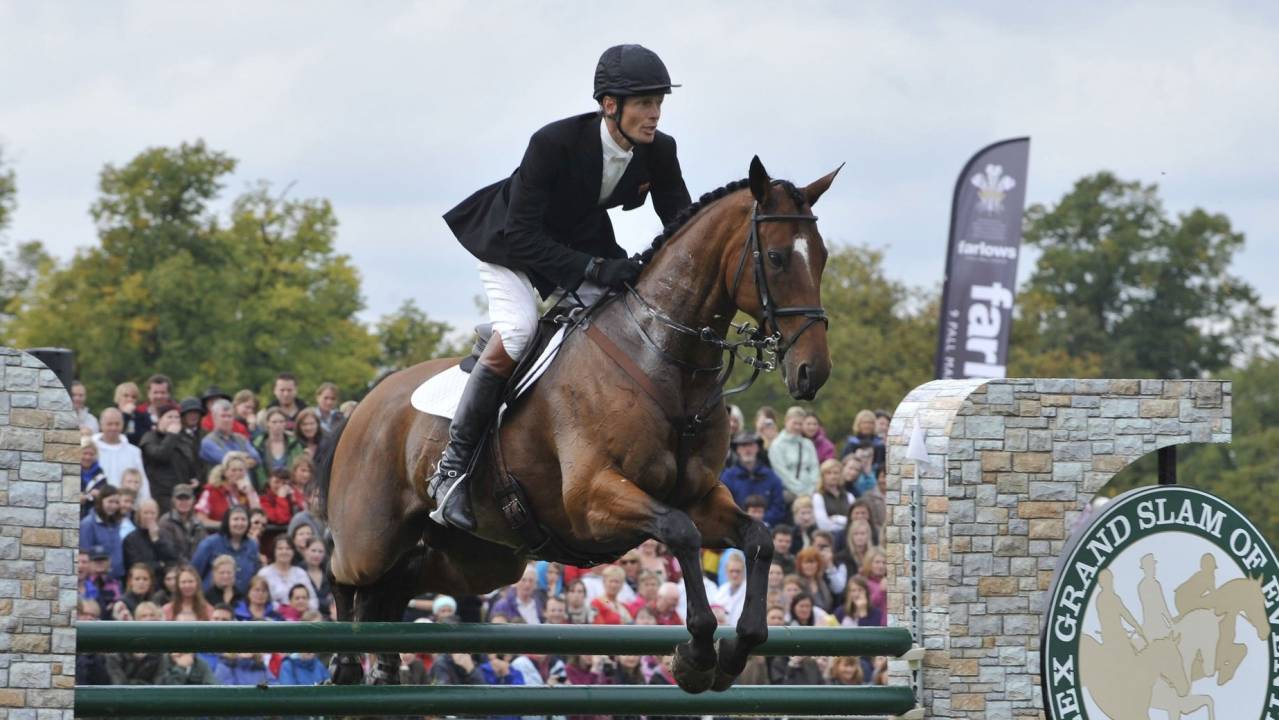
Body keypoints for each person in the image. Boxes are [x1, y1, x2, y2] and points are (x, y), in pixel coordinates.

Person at [433, 43, 691, 532]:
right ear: (609, 105)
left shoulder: (660, 150)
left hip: (580, 243)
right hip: (510, 246)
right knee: (517, 331)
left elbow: (680, 225)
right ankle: (452, 470)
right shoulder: (553, 143)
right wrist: (595, 270)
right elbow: (523, 235)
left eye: (659, 102)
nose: (654, 114)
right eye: (644, 103)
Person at [139, 402, 200, 515]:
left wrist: (194, 478)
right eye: (169, 417)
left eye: (176, 417)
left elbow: (191, 461)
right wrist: (171, 435)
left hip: (182, 494)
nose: (173, 420)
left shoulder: (183, 439)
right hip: (161, 495)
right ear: (159, 419)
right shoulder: (150, 437)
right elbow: (161, 455)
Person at [719, 432, 787, 527]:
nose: (747, 449)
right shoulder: (728, 477)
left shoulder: (771, 476)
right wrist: (744, 521)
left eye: (751, 445)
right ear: (737, 449)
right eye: (743, 445)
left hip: (766, 528)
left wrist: (761, 521)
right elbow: (725, 507)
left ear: (758, 448)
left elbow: (778, 507)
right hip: (737, 528)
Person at [191, 506, 261, 595]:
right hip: (211, 600)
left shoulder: (253, 545)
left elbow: (255, 575)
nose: (239, 523)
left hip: (241, 602)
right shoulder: (210, 543)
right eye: (235, 519)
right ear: (227, 522)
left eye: (243, 519)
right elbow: (194, 573)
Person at [194, 452, 260, 530]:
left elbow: (258, 518)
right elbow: (201, 519)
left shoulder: (249, 490)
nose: (238, 473)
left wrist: (249, 494)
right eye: (233, 470)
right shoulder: (211, 491)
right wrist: (227, 526)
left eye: (241, 470)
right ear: (225, 472)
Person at [94, 408, 151, 498]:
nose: (113, 428)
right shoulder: (90, 449)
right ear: (101, 425)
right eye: (109, 424)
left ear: (123, 425)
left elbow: (142, 481)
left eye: (117, 424)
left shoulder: (134, 452)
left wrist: (145, 503)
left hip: (126, 505)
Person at [770, 406, 820, 503]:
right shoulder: (777, 445)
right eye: (795, 423)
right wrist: (802, 492)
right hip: (789, 494)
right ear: (786, 421)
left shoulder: (808, 444)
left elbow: (815, 468)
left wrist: (812, 489)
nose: (797, 427)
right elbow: (782, 473)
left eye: (800, 424)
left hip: (811, 493)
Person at [200, 400, 263, 468]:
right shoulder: (208, 442)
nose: (227, 419)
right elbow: (228, 462)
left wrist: (233, 456)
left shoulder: (241, 438)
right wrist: (245, 457)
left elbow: (257, 458)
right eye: (223, 416)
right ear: (214, 417)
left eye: (229, 416)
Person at [80, 487, 125, 582]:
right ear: (101, 501)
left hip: (116, 579)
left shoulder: (116, 524)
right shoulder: (88, 524)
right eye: (110, 501)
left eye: (117, 502)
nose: (113, 506)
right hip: (96, 581)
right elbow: (85, 553)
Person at [122, 499, 176, 575]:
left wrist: (156, 540)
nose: (149, 516)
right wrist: (160, 565)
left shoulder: (164, 535)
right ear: (139, 515)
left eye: (152, 513)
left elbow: (172, 559)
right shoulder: (130, 539)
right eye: (145, 513)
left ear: (157, 515)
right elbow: (136, 565)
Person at [253, 409, 302, 489]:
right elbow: (258, 470)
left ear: (285, 423)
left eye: (281, 421)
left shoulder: (295, 444)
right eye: (274, 422)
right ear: (268, 423)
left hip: (292, 488)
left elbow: (300, 466)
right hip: (266, 490)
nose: (278, 425)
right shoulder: (258, 445)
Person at [157, 483, 206, 561]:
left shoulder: (198, 524)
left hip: (196, 568)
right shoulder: (166, 521)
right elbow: (169, 553)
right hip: (173, 568)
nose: (184, 502)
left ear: (193, 500)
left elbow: (203, 550)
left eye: (187, 498)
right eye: (180, 498)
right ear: (173, 500)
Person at [257, 536, 311, 607]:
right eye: (280, 548)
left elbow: (312, 599)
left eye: (288, 548)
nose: (284, 551)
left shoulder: (300, 573)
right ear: (274, 551)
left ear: (293, 552)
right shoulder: (264, 574)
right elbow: (258, 598)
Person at [813, 458, 853, 536]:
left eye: (836, 473)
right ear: (823, 476)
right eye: (829, 473)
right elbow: (823, 525)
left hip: (849, 535)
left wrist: (836, 519)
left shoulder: (849, 496)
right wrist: (845, 522)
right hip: (828, 536)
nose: (833, 476)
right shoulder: (818, 497)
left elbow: (853, 520)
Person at [113, 381, 152, 446]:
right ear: (118, 397)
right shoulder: (111, 414)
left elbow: (145, 437)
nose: (130, 399)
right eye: (126, 396)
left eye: (133, 397)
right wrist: (125, 415)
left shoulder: (142, 416)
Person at [80, 440, 108, 519]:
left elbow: (106, 495)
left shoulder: (100, 474)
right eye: (85, 453)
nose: (88, 457)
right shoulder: (71, 470)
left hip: (93, 515)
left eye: (91, 454)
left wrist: (100, 494)